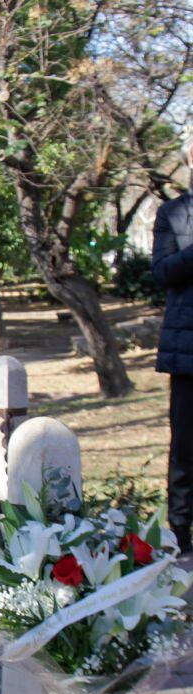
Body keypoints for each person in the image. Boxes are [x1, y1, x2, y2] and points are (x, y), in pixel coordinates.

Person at [153, 135, 193, 556]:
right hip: (188, 354)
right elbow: (163, 272)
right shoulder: (173, 213)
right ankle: (180, 533)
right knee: (186, 446)